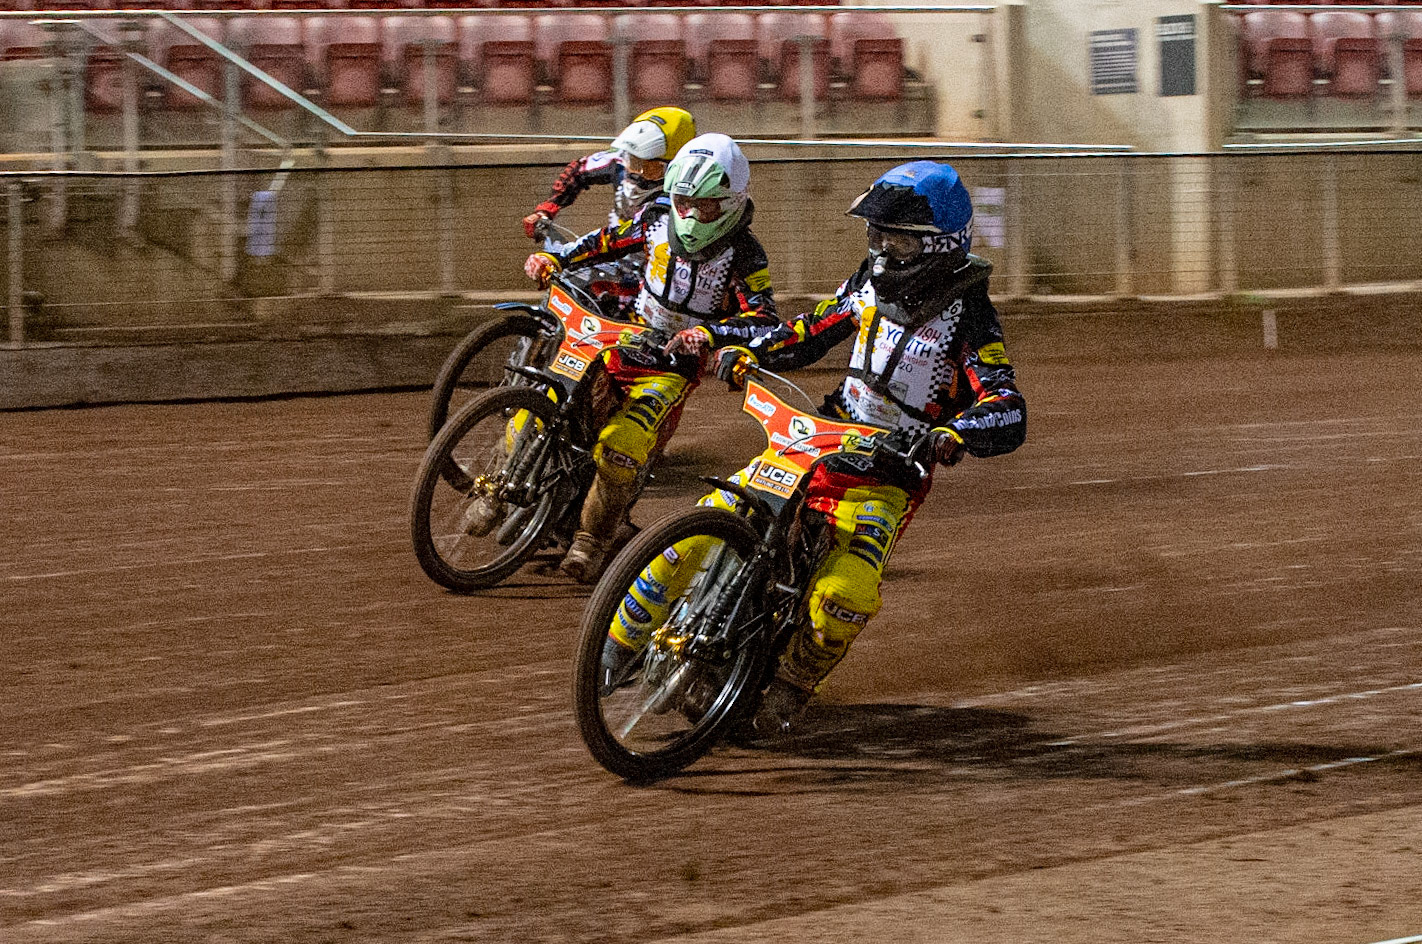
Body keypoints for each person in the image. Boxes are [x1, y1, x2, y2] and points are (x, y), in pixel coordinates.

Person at [601, 160, 1027, 737]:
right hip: (820, 433)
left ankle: (794, 682)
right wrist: (752, 351)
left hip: (888, 470)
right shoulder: (868, 281)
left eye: (898, 240)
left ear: (940, 245)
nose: (882, 250)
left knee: (845, 592)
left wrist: (953, 434)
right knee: (701, 528)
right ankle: (614, 648)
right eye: (877, 235)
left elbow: (1006, 403)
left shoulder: (971, 317)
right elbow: (810, 330)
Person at [524, 132, 780, 583]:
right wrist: (558, 259)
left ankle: (592, 540)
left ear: (733, 202)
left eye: (706, 206)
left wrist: (710, 333)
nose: (691, 215)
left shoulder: (746, 254)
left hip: (671, 368)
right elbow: (607, 241)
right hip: (622, 336)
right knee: (547, 400)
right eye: (684, 201)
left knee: (621, 449)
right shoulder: (657, 216)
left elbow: (764, 319)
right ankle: (505, 482)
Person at [521, 105, 697, 241]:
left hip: (659, 253)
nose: (639, 173)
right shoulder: (619, 161)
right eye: (634, 162)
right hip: (614, 245)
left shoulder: (693, 188)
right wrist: (547, 210)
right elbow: (578, 169)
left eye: (651, 167)